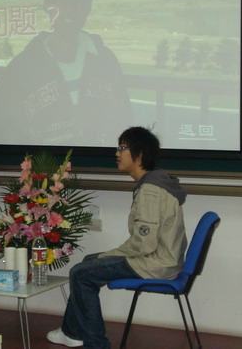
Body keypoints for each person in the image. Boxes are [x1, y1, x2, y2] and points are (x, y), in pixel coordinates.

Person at [47, 126, 188, 348]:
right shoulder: (152, 185)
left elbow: (144, 244)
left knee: (80, 273)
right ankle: (72, 332)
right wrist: (108, 255)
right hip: (159, 258)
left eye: (122, 148)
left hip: (155, 263)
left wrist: (110, 254)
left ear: (139, 155)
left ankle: (96, 343)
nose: (117, 153)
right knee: (89, 262)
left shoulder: (150, 191)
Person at [0, 0, 132, 147]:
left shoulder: (106, 61)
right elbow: (10, 134)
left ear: (89, 4)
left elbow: (125, 123)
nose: (70, 8)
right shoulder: (19, 70)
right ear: (47, 3)